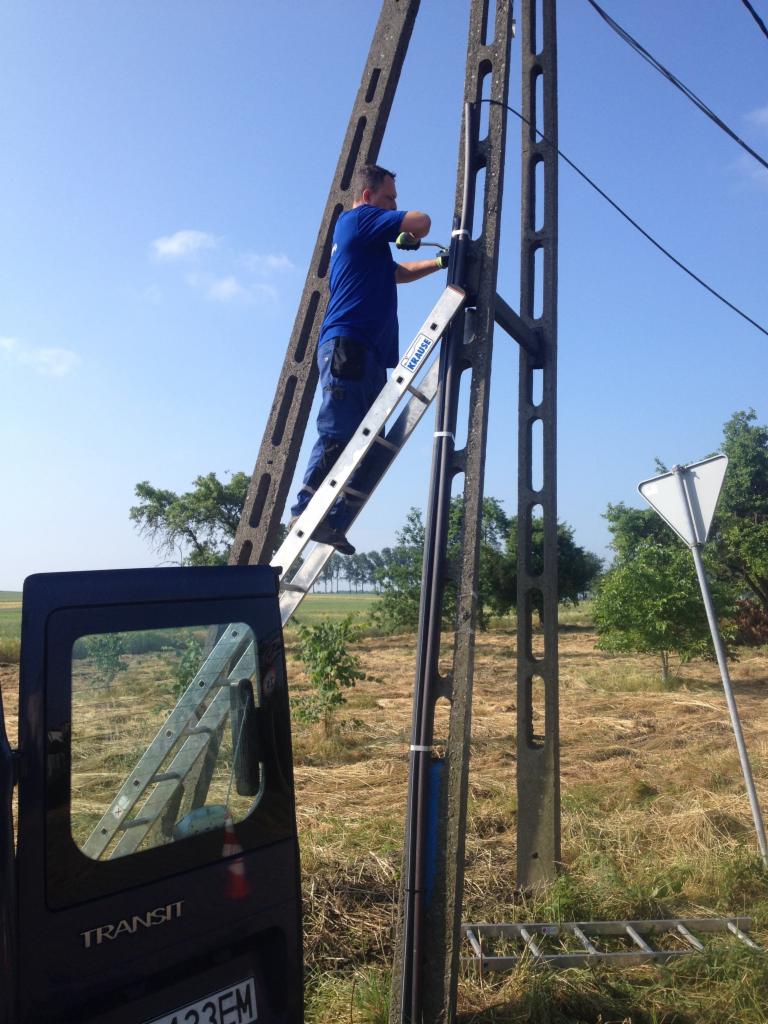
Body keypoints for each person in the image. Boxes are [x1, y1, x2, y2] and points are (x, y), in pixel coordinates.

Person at [289, 164, 448, 554]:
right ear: (367, 196)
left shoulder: (371, 246)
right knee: (340, 431)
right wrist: (405, 229)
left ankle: (332, 521)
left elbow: (400, 273)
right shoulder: (357, 222)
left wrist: (441, 264)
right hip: (350, 345)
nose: (394, 204)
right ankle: (305, 512)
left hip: (369, 354)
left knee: (367, 444)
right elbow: (423, 221)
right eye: (389, 198)